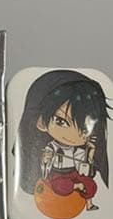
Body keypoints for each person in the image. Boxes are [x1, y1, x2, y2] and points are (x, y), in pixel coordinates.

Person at [17, 69, 110, 210]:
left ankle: (89, 204)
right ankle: (75, 187)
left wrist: (89, 156)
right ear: (41, 123)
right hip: (57, 175)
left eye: (85, 129)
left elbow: (84, 170)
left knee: (90, 184)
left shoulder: (78, 151)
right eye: (61, 121)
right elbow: (42, 168)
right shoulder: (52, 147)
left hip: (74, 174)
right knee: (60, 185)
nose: (74, 135)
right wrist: (45, 160)